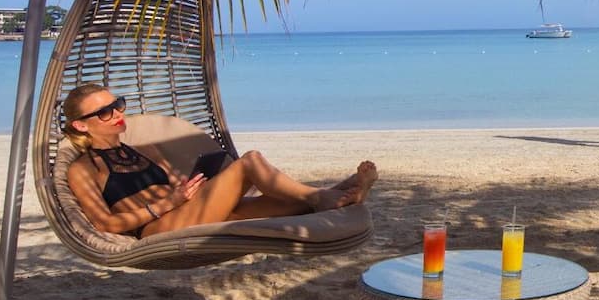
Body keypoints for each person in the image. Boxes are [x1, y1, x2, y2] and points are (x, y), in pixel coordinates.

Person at [62, 83, 378, 237]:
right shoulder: (83, 169)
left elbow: (177, 188)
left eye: (118, 104)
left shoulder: (145, 150)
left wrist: (194, 189)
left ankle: (342, 191)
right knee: (250, 161)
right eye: (105, 112)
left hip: (189, 211)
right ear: (80, 124)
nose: (118, 113)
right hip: (158, 227)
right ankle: (324, 196)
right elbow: (106, 224)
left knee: (286, 206)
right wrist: (167, 204)